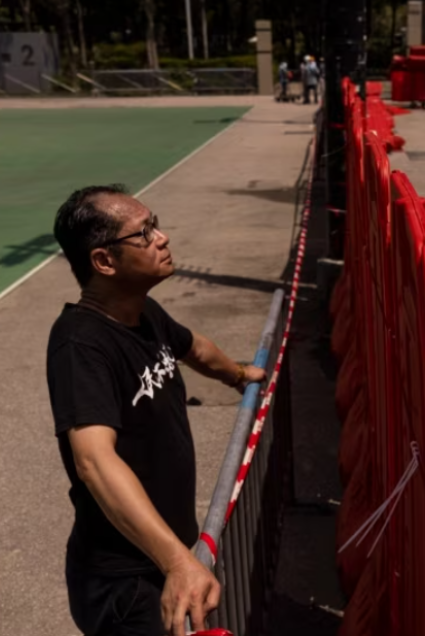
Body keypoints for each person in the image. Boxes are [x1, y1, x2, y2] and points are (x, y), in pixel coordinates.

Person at [46, 184, 267, 636]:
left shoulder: (144, 313)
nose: (161, 237)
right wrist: (177, 562)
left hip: (161, 558)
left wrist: (240, 374)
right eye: (143, 234)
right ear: (104, 261)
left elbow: (195, 348)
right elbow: (94, 460)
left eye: (156, 225)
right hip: (124, 582)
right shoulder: (80, 345)